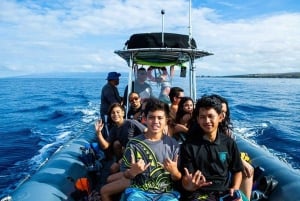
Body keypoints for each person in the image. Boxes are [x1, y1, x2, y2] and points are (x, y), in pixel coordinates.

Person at [179, 95, 247, 201]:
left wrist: (235, 188)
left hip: (225, 192)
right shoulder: (188, 147)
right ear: (197, 119)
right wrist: (189, 185)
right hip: (199, 193)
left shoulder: (229, 143)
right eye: (202, 117)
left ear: (220, 117)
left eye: (211, 116)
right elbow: (186, 180)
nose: (207, 120)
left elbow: (237, 171)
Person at [121, 98, 181, 201]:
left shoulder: (174, 145)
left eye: (160, 118)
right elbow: (125, 174)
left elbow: (177, 177)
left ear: (166, 120)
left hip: (166, 193)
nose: (155, 121)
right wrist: (132, 172)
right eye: (151, 117)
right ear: (144, 119)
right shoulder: (133, 144)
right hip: (138, 192)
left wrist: (174, 172)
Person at [212, 94, 253, 200]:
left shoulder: (226, 132)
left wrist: (240, 160)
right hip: (216, 165)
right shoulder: (208, 130)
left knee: (248, 169)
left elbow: (230, 151)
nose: (223, 115)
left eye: (225, 112)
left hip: (226, 160)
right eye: (221, 111)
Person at [95, 103, 146, 171]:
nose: (115, 114)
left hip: (137, 152)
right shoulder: (114, 129)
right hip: (128, 152)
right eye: (113, 113)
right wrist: (99, 133)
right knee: (116, 143)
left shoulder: (131, 123)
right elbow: (105, 146)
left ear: (123, 113)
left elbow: (147, 131)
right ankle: (121, 164)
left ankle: (122, 167)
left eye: (118, 112)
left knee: (113, 169)